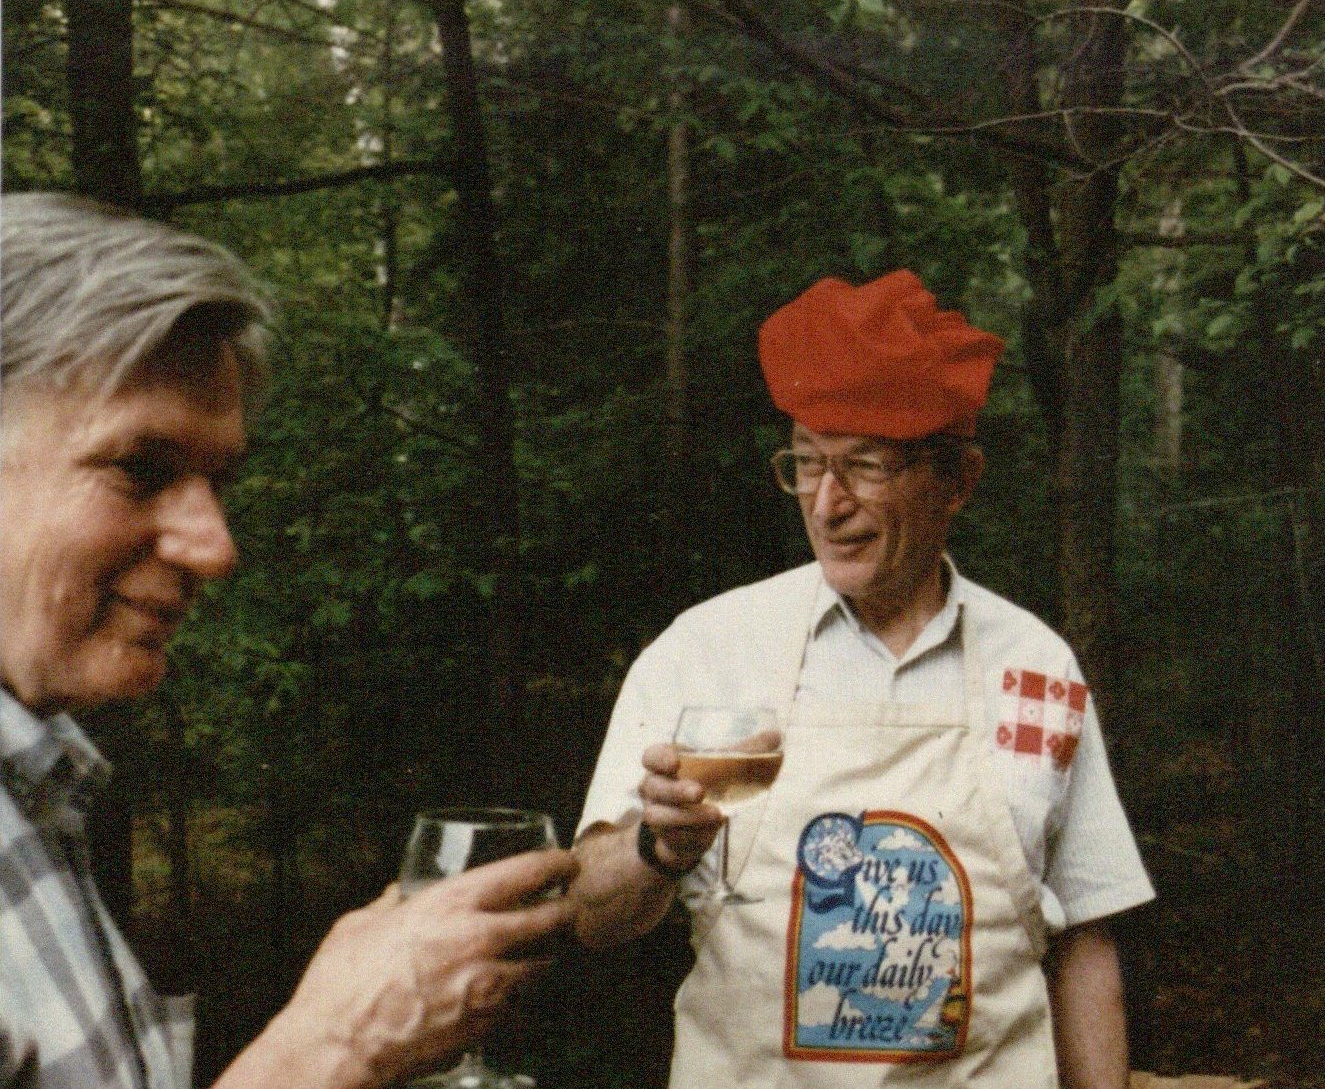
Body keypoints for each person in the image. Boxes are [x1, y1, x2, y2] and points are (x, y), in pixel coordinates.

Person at [0, 192, 578, 1089]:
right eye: (140, 468)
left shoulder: (38, 785)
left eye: (219, 482)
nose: (216, 547)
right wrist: (335, 1044)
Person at [570, 271, 1155, 1088]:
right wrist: (655, 847)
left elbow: (1084, 940)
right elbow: (588, 914)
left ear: (957, 479)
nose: (825, 503)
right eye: (807, 463)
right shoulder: (706, 650)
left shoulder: (1035, 669)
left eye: (864, 465)